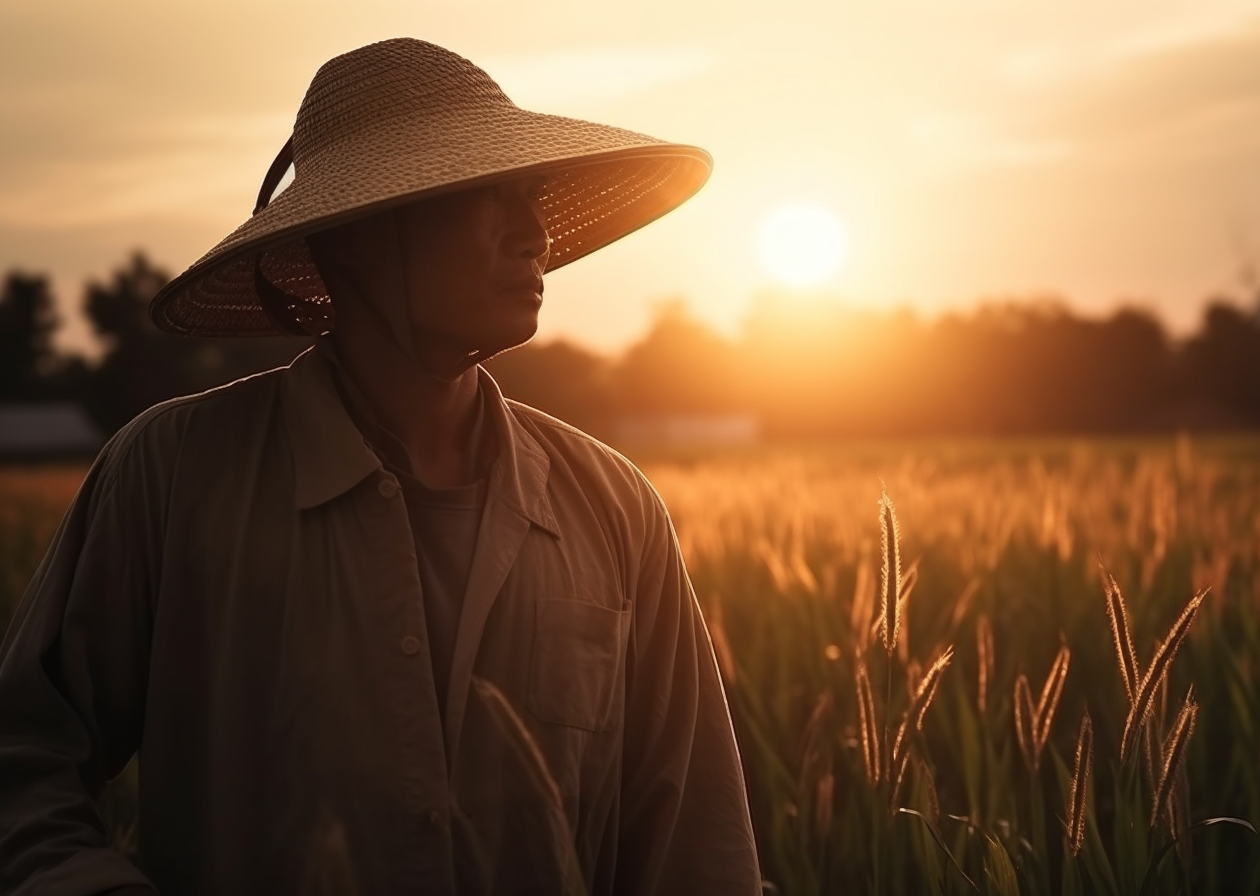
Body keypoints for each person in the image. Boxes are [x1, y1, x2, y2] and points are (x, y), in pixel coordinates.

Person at [0, 37, 761, 896]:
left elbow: (696, 847)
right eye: (486, 195)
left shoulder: (615, 507)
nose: (536, 233)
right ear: (356, 236)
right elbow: (22, 765)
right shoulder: (171, 478)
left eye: (534, 194)